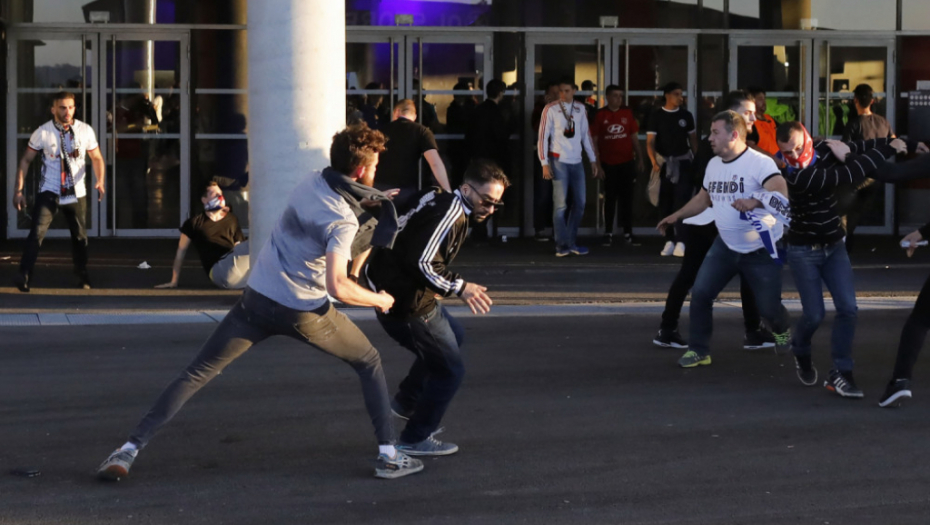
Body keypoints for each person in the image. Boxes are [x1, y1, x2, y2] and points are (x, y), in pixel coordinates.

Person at [96, 125, 424, 481]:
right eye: (373, 167)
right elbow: (339, 285)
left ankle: (127, 450)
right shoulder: (343, 222)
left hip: (257, 299)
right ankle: (389, 455)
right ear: (360, 171)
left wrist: (369, 199)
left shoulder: (311, 181)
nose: (375, 173)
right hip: (304, 313)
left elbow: (334, 201)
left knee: (195, 372)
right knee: (369, 360)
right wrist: (379, 298)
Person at [365, 159, 508, 456]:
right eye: (487, 201)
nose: (491, 209)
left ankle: (405, 402)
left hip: (399, 290)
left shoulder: (435, 195)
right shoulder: (451, 214)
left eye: (497, 204)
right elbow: (423, 262)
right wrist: (460, 287)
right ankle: (415, 438)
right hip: (408, 304)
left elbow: (400, 211)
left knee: (455, 336)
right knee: (450, 371)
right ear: (466, 190)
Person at [776, 121, 911, 398]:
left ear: (808, 141)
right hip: (803, 252)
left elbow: (861, 146)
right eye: (787, 152)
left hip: (834, 246)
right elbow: (851, 172)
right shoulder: (797, 177)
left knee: (848, 308)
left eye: (798, 148)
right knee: (814, 315)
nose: (794, 156)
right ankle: (800, 349)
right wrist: (889, 148)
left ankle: (841, 372)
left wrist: (906, 142)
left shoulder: (825, 151)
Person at [657, 110, 791, 368]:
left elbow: (781, 193)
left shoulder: (759, 163)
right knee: (701, 294)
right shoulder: (714, 165)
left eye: (715, 132)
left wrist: (754, 201)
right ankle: (699, 350)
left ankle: (782, 329)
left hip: (761, 248)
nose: (709, 138)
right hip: (725, 246)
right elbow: (703, 199)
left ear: (734, 135)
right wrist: (676, 216)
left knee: (768, 308)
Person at [13, 91, 105, 292]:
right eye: (62, 108)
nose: (67, 112)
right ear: (53, 109)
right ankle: (24, 274)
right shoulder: (43, 132)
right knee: (36, 233)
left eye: (71, 107)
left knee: (80, 237)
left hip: (76, 192)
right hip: (50, 190)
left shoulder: (85, 130)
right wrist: (18, 190)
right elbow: (26, 160)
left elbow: (97, 157)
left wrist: (100, 180)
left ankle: (82, 274)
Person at [538, 76, 600, 257]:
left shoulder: (580, 108)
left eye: (566, 91)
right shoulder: (550, 109)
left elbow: (586, 135)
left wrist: (593, 160)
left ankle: (570, 241)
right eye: (560, 91)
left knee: (580, 203)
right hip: (558, 160)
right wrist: (544, 163)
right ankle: (561, 244)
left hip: (577, 161)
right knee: (560, 205)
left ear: (574, 91)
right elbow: (543, 137)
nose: (563, 94)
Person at [155, 181, 250, 290]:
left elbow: (239, 247)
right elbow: (181, 252)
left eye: (220, 193)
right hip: (219, 272)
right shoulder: (195, 223)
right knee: (256, 242)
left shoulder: (231, 219)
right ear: (204, 200)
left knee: (256, 246)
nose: (220, 196)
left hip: (237, 272)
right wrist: (174, 281)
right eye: (214, 194)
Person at [840, 83, 896, 253]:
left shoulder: (854, 124)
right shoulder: (883, 122)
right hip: (877, 175)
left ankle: (843, 243)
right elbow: (894, 141)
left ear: (855, 100)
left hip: (858, 174)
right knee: (857, 211)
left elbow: (844, 150)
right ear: (872, 101)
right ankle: (846, 242)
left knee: (843, 209)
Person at [647, 82, 698, 257]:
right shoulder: (656, 116)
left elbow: (693, 140)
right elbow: (650, 142)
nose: (680, 97)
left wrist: (697, 161)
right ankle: (669, 240)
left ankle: (682, 241)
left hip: (683, 163)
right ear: (667, 95)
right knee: (665, 203)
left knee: (682, 202)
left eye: (681, 94)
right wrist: (653, 161)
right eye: (676, 94)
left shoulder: (686, 115)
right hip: (663, 164)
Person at [591, 85, 643, 246]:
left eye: (620, 96)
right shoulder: (600, 114)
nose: (618, 99)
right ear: (607, 97)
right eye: (615, 95)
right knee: (610, 199)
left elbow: (634, 137)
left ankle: (628, 232)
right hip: (608, 164)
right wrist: (597, 165)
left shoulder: (627, 113)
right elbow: (594, 141)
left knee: (627, 199)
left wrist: (640, 158)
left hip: (627, 163)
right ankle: (608, 232)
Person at [376, 99, 451, 209]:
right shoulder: (422, 131)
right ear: (414, 116)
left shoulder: (381, 131)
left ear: (396, 112)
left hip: (380, 189)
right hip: (405, 192)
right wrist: (448, 191)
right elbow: (435, 163)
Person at [532, 81, 560, 242]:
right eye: (553, 93)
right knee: (543, 193)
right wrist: (546, 108)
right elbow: (537, 128)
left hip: (561, 156)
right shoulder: (539, 109)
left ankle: (558, 229)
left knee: (560, 195)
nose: (556, 96)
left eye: (558, 93)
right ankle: (540, 228)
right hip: (545, 157)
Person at [746, 87, 780, 157]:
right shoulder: (750, 122)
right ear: (752, 101)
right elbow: (750, 146)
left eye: (764, 99)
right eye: (760, 99)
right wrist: (772, 158)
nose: (764, 102)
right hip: (762, 161)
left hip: (778, 160)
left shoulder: (769, 118)